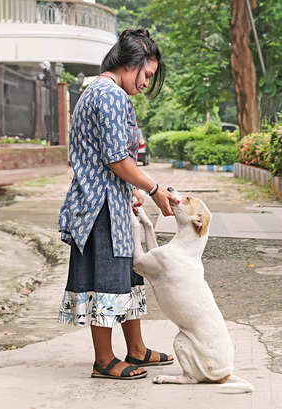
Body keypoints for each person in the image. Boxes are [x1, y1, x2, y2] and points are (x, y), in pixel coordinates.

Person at [58, 29, 178, 380]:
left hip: (106, 200)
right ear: (132, 64)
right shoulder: (110, 95)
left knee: (127, 276)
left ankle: (136, 350)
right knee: (106, 280)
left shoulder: (95, 89)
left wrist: (132, 189)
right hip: (100, 207)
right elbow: (116, 160)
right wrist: (154, 188)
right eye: (147, 75)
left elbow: (108, 159)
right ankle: (104, 359)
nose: (145, 84)